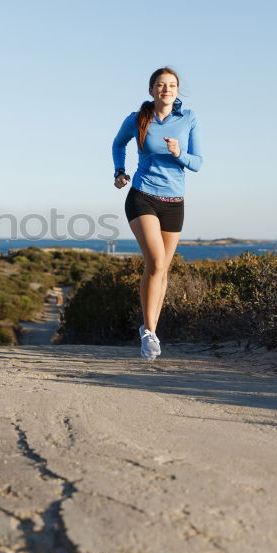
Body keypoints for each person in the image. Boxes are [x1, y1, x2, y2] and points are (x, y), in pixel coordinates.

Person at [111, 67, 202, 360]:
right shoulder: (139, 118)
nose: (166, 89)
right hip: (142, 196)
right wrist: (120, 171)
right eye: (161, 85)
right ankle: (149, 333)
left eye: (172, 85)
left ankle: (151, 329)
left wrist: (179, 154)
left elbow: (198, 163)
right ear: (151, 90)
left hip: (175, 202)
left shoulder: (188, 119)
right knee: (156, 260)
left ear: (177, 91)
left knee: (161, 269)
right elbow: (118, 143)